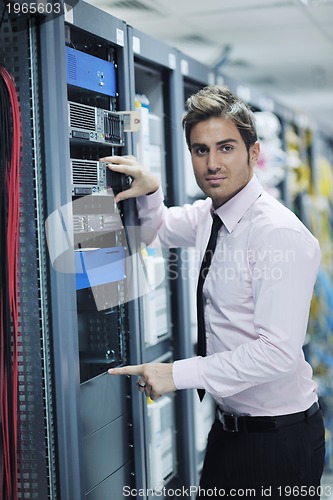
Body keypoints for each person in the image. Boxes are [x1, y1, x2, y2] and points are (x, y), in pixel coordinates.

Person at [102, 85, 325, 499]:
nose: (212, 163)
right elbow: (160, 229)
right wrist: (150, 190)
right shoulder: (212, 213)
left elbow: (276, 352)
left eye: (225, 148)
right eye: (200, 150)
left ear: (253, 153)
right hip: (229, 429)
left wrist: (176, 374)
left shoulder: (276, 234)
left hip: (278, 439)